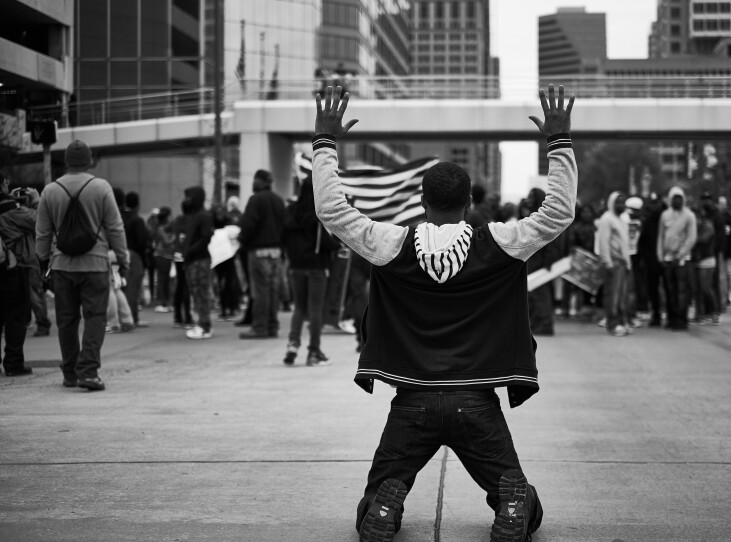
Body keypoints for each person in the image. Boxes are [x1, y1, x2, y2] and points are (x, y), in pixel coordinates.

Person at [311, 85, 574, 542]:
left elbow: (332, 210)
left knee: (369, 508)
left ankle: (388, 498)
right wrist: (560, 142)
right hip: (476, 401)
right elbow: (558, 212)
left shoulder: (390, 244)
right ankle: (510, 499)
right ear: (469, 202)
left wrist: (325, 144)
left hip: (412, 401)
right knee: (523, 505)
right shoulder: (501, 242)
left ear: (421, 201)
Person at [35, 140, 129, 391]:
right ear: (88, 161)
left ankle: (70, 373)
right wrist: (122, 258)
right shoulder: (101, 187)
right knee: (95, 317)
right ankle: (88, 371)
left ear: (66, 162)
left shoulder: (50, 191)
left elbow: (42, 233)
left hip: (62, 265)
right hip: (95, 264)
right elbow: (115, 227)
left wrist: (43, 262)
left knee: (66, 321)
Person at [282, 176, 337, 366]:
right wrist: (336, 245)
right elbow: (327, 243)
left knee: (299, 308)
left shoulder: (290, 212)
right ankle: (314, 352)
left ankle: (292, 344)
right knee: (315, 310)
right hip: (316, 266)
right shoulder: (318, 214)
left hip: (296, 266)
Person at [238, 169, 285, 339]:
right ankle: (272, 326)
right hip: (276, 251)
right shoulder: (279, 200)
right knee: (273, 291)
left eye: (255, 179)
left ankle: (260, 327)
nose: (253, 183)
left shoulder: (255, 200)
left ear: (262, 182)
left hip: (258, 251)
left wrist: (242, 240)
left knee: (260, 291)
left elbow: (248, 225)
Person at [0, 179, 40, 376]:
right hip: (13, 268)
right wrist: (35, 201)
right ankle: (14, 364)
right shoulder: (12, 210)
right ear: (2, 186)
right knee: (16, 318)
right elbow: (40, 222)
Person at [657, 187, 697, 331]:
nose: (677, 201)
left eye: (680, 198)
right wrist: (660, 256)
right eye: (674, 198)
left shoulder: (689, 216)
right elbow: (661, 237)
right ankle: (671, 318)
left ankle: (682, 319)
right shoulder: (665, 216)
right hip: (667, 258)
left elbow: (691, 238)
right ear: (670, 199)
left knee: (682, 291)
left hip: (682, 259)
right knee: (669, 290)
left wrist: (680, 254)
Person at [180, 186, 214, 340]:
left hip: (199, 260)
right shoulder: (195, 215)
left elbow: (206, 237)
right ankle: (202, 324)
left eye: (189, 197)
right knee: (197, 293)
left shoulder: (203, 215)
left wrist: (190, 251)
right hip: (194, 260)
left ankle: (204, 326)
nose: (186, 200)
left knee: (201, 293)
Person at [596, 191, 631, 337]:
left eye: (623, 202)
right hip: (613, 263)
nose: (621, 205)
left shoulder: (622, 219)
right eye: (618, 202)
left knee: (622, 296)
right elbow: (603, 241)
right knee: (613, 296)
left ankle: (622, 322)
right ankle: (613, 324)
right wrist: (607, 262)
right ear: (611, 203)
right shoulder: (607, 219)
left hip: (622, 263)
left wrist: (628, 263)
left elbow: (625, 243)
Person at [525, 188, 559, 336]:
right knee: (533, 294)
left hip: (541, 263)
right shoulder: (533, 215)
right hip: (533, 261)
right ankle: (537, 322)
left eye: (532, 197)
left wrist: (548, 262)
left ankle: (545, 324)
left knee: (541, 295)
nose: (529, 199)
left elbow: (551, 241)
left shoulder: (545, 217)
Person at [121, 191, 150, 327]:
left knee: (123, 287)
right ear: (137, 204)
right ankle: (132, 318)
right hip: (135, 256)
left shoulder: (120, 216)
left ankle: (124, 316)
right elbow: (142, 241)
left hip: (120, 254)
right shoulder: (137, 220)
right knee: (133, 289)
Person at [639, 196, 666, 327]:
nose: (655, 206)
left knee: (668, 288)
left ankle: (672, 314)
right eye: (653, 203)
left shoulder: (666, 217)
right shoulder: (648, 221)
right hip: (651, 260)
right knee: (653, 289)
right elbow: (643, 241)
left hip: (666, 259)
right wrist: (644, 258)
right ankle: (656, 315)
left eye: (657, 203)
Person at [692, 205, 720, 325]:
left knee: (706, 288)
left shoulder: (707, 226)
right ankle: (699, 315)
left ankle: (715, 313)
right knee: (697, 289)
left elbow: (702, 240)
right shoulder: (697, 227)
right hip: (697, 260)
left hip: (707, 260)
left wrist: (691, 236)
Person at [152, 207, 174, 313]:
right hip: (161, 255)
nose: (171, 217)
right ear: (166, 216)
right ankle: (161, 302)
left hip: (166, 256)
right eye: (169, 215)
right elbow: (166, 242)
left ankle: (166, 302)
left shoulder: (165, 227)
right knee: (162, 279)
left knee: (165, 280)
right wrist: (174, 238)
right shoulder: (161, 228)